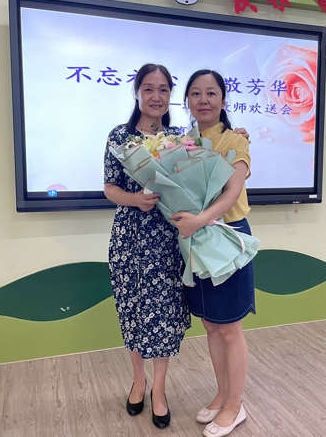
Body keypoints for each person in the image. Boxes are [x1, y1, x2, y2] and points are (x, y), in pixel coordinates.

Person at [103, 63, 249, 430]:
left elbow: (221, 180)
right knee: (138, 312)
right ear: (137, 92)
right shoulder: (120, 136)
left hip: (176, 238)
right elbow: (109, 187)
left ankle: (161, 390)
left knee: (167, 317)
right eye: (148, 88)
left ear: (171, 95)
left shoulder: (180, 139)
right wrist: (135, 200)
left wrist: (238, 135)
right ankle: (139, 382)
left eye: (163, 89)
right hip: (132, 238)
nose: (156, 96)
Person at [171, 69, 255, 437]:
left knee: (231, 329)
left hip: (226, 236)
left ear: (223, 99)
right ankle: (222, 394)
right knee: (210, 324)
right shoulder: (180, 143)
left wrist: (200, 220)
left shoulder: (235, 141)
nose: (203, 100)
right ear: (187, 101)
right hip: (195, 237)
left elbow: (232, 191)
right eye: (195, 93)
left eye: (210, 93)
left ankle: (235, 405)